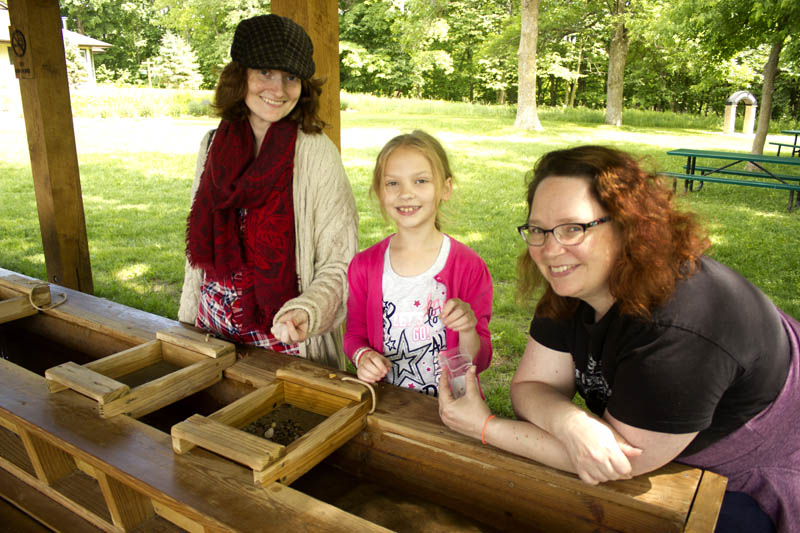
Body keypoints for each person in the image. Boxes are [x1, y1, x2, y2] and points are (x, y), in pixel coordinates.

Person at [439, 145, 799, 533]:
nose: (549, 249)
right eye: (538, 230)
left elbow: (618, 461)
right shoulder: (575, 286)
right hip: (670, 443)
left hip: (751, 470)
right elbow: (532, 383)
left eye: (573, 228)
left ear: (629, 225)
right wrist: (572, 422)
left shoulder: (680, 327)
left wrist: (485, 427)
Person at [178, 14, 358, 370]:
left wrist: (307, 311)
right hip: (212, 330)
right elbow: (197, 259)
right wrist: (187, 325)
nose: (277, 90)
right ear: (239, 75)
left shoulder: (316, 153)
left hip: (285, 340)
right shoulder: (212, 144)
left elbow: (340, 262)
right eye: (265, 72)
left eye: (290, 77)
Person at [344, 130, 493, 396]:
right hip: (388, 405)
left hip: (455, 409)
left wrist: (468, 328)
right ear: (379, 191)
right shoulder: (363, 266)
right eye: (392, 184)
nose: (406, 194)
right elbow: (354, 335)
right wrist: (363, 356)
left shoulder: (469, 267)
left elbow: (479, 361)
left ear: (445, 189)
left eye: (421, 181)